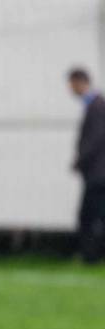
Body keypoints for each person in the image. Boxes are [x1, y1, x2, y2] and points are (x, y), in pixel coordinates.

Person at [68, 67, 105, 263]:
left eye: (72, 84)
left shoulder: (96, 106)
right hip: (97, 172)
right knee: (95, 215)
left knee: (88, 216)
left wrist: (80, 159)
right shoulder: (95, 105)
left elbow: (95, 139)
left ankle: (90, 255)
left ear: (80, 82)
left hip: (98, 173)